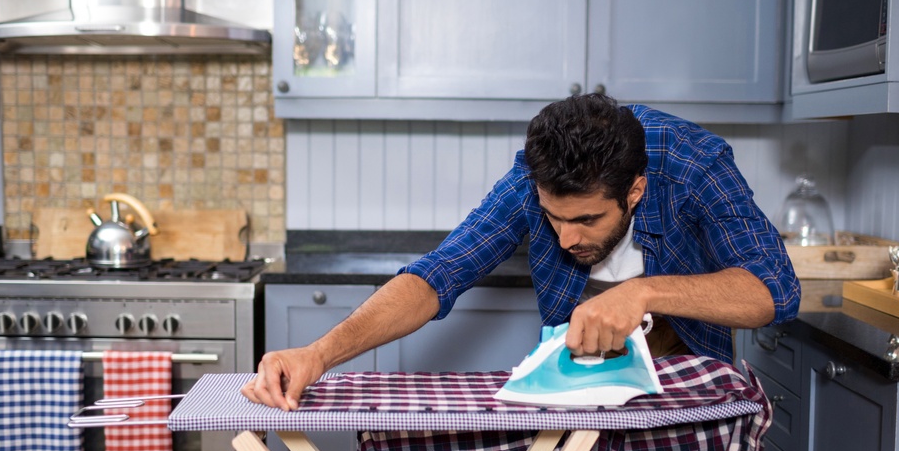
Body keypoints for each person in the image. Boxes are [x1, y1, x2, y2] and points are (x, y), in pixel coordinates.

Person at [243, 94, 800, 411]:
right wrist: (317, 355)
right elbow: (439, 274)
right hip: (583, 390)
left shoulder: (695, 164)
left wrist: (643, 292)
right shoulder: (528, 181)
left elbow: (775, 290)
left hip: (688, 384)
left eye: (586, 220)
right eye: (553, 219)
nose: (565, 240)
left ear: (634, 191)